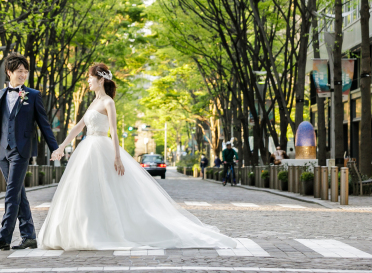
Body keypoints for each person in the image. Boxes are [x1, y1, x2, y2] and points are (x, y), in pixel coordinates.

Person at [39, 63, 237, 251]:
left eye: (90, 78)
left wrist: (117, 157)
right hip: (87, 148)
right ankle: (80, 230)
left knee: (106, 189)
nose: (88, 82)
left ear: (100, 80)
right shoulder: (93, 102)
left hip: (101, 147)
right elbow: (79, 126)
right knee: (83, 189)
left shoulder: (108, 102)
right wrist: (61, 147)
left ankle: (102, 231)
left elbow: (114, 132)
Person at [0, 52, 59, 252]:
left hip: (21, 150)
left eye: (25, 71)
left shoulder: (32, 95)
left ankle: (3, 238)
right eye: (19, 71)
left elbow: (44, 124)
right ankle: (29, 237)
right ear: (9, 72)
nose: (23, 75)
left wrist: (55, 148)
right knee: (18, 194)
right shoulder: (0, 94)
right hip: (2, 152)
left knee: (11, 194)